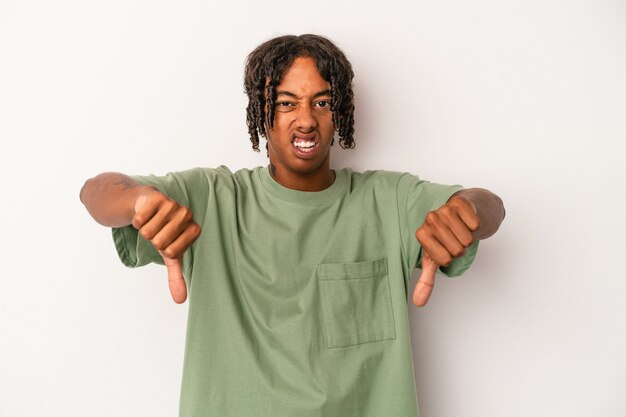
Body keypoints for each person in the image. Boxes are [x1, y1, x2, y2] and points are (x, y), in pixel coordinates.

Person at [80, 34, 505, 417]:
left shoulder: (387, 200)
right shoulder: (211, 198)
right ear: (262, 111)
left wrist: (465, 211)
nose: (306, 120)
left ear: (338, 111)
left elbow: (490, 206)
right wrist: (137, 201)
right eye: (286, 102)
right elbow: (96, 192)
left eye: (321, 102)